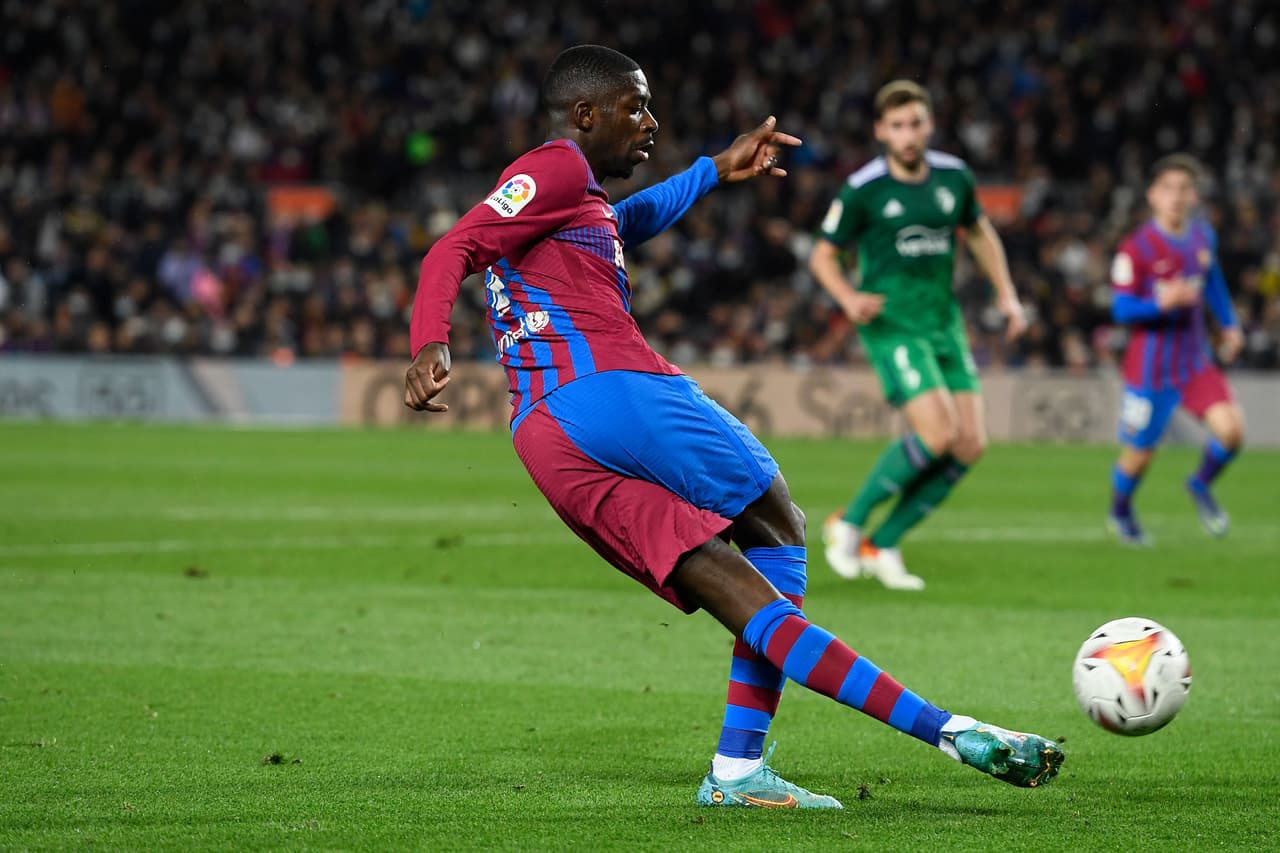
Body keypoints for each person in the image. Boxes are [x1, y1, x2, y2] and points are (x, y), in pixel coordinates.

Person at [404, 45, 1061, 808]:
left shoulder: (577, 208)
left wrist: (714, 169)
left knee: (737, 586)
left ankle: (763, 770)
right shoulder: (553, 166)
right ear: (585, 114)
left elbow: (628, 219)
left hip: (549, 440)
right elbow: (456, 244)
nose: (650, 122)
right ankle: (768, 754)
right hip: (610, 388)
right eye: (635, 106)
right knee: (776, 514)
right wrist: (430, 337)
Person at [809, 80, 1026, 590]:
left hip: (943, 322)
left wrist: (1007, 294)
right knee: (937, 434)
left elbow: (978, 232)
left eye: (916, 124)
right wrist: (848, 298)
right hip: (892, 324)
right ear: (881, 131)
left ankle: (883, 544)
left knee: (970, 444)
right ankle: (849, 520)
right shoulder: (865, 187)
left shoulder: (954, 178)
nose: (908, 135)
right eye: (898, 126)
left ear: (929, 125)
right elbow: (823, 254)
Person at [1107, 154, 1245, 544]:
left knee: (1232, 433)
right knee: (1139, 456)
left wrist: (1230, 324)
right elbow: (1120, 308)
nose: (1176, 196)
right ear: (1152, 195)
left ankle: (1200, 485)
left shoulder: (1203, 236)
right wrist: (1160, 304)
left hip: (1195, 362)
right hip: (1150, 370)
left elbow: (1212, 280)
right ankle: (1120, 512)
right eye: (1168, 188)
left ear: (1194, 195)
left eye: (1184, 188)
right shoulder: (1136, 249)